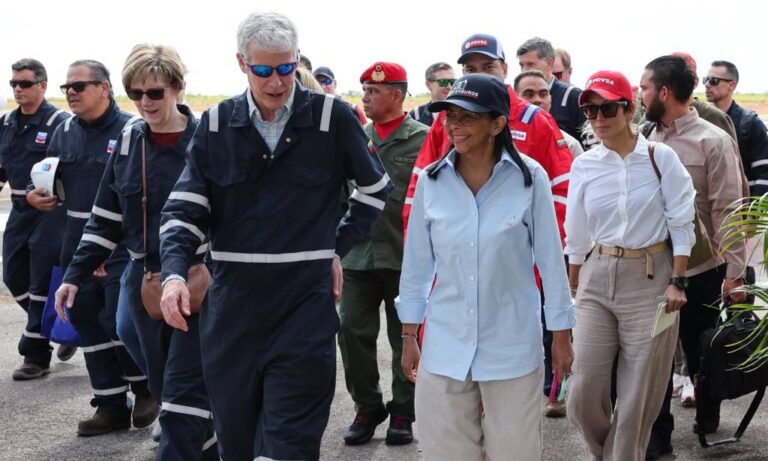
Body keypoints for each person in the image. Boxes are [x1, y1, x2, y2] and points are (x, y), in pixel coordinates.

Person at [158, 12, 391, 460]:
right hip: (233, 314)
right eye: (263, 70)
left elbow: (376, 188)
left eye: (286, 68)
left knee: (289, 446)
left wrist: (335, 247)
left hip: (303, 309)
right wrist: (173, 275)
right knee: (238, 445)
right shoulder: (215, 124)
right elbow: (184, 209)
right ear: (241, 64)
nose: (277, 81)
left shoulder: (332, 118)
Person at [398, 73, 574, 461]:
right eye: (449, 116)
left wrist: (561, 336)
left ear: (497, 123)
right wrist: (409, 334)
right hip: (445, 345)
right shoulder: (432, 181)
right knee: (446, 452)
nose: (454, 126)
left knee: (516, 452)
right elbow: (416, 266)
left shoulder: (531, 180)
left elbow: (550, 260)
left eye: (467, 117)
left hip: (511, 345)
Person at [54, 45, 218, 459]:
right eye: (136, 93)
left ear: (179, 89)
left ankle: (197, 425)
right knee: (132, 336)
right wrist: (74, 275)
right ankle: (186, 416)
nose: (145, 102)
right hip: (143, 273)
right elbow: (106, 215)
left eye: (156, 93)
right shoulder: (129, 140)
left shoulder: (208, 142)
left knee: (184, 370)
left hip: (200, 275)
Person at [565, 69, 697, 461]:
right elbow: (576, 234)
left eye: (608, 108)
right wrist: (573, 286)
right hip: (597, 272)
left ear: (630, 108)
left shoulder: (661, 157)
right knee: (583, 392)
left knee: (639, 392)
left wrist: (678, 280)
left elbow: (682, 221)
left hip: (652, 274)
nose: (599, 118)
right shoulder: (585, 166)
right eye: (591, 110)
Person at [27, 59, 155, 436]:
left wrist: (111, 248)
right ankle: (111, 405)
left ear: (104, 87)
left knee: (116, 320)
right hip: (75, 240)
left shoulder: (134, 130)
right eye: (67, 87)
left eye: (79, 86)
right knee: (84, 320)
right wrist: (37, 198)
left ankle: (145, 387)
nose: (70, 93)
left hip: (119, 245)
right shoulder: (63, 131)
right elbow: (48, 180)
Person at [641, 55, 748, 458]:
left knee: (700, 350)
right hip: (652, 270)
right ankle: (658, 436)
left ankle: (708, 410)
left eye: (645, 87)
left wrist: (734, 274)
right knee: (655, 359)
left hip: (701, 271)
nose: (640, 94)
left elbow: (729, 210)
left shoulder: (712, 140)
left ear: (664, 93)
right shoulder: (646, 139)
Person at [339, 62, 427, 447]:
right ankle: (368, 406)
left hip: (406, 255)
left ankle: (403, 412)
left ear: (397, 94)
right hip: (358, 255)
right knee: (350, 332)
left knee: (403, 337)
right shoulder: (356, 137)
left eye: (374, 91)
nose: (366, 97)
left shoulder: (424, 138)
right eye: (363, 90)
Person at [0, 58, 70, 380]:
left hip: (51, 211)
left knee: (41, 277)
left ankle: (35, 354)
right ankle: (65, 322)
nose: (18, 89)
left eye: (25, 83)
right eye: (14, 83)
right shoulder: (6, 124)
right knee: (14, 275)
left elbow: (68, 170)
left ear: (42, 85)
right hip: (21, 208)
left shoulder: (60, 123)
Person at [705, 59, 768, 196]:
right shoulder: (701, 120)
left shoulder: (750, 123)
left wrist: (752, 213)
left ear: (731, 85)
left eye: (714, 80)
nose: (707, 85)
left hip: (740, 208)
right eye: (706, 79)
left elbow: (763, 173)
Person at [516, 37, 586, 144]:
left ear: (549, 63)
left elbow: (590, 145)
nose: (524, 70)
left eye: (530, 64)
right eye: (522, 65)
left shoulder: (573, 97)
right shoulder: (516, 98)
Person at [514, 70, 584, 158]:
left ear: (550, 99)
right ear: (515, 99)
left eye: (543, 94)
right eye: (529, 94)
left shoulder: (570, 145)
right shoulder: (502, 140)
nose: (537, 100)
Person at [408, 62, 455, 126]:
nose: (449, 87)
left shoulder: (462, 112)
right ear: (428, 85)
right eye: (443, 82)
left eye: (453, 82)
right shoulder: (416, 115)